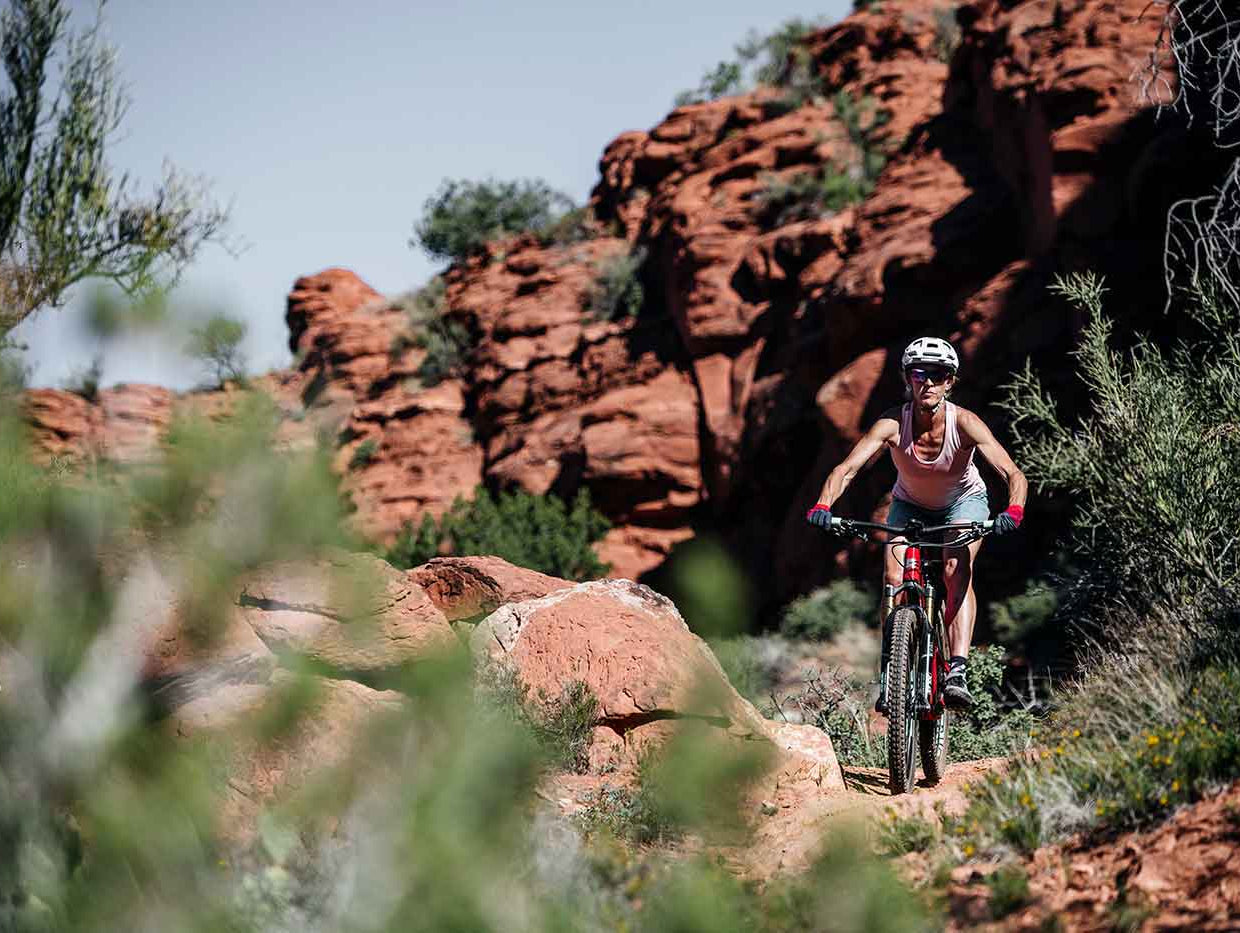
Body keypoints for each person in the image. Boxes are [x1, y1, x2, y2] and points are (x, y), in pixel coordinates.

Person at [804, 337, 1027, 709]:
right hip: (909, 505)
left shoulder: (966, 423)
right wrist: (823, 503)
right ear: (907, 378)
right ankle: (891, 670)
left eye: (937, 374)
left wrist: (1014, 510)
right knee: (893, 577)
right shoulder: (892, 423)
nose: (927, 382)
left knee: (956, 566)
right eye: (919, 373)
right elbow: (848, 468)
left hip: (964, 502)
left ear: (950, 381)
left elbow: (1012, 473)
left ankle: (957, 669)